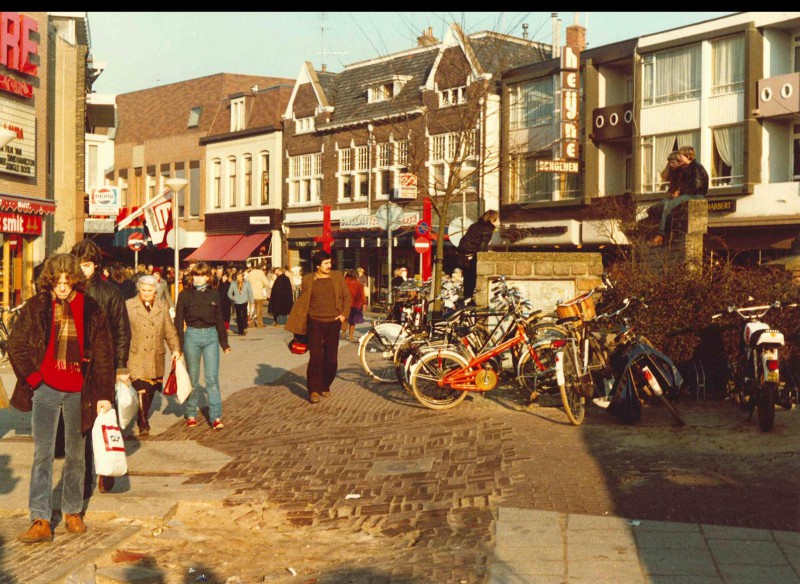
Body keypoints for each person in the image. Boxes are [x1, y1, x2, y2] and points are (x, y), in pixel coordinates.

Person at [9, 253, 115, 543]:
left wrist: (105, 394)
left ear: (75, 281)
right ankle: (40, 518)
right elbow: (16, 344)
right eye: (57, 282)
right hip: (45, 389)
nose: (63, 288)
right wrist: (34, 379)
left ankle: (72, 511)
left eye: (67, 282)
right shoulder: (37, 306)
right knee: (42, 454)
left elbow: (104, 353)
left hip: (79, 391)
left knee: (76, 454)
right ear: (50, 282)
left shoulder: (90, 308)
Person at [71, 239, 131, 496]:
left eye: (85, 265)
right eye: (78, 264)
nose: (81, 270)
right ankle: (84, 477)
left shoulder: (110, 293)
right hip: (76, 365)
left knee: (104, 417)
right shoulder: (70, 290)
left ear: (94, 265)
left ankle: (106, 468)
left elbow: (122, 331)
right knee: (80, 422)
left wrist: (120, 366)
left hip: (104, 365)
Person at [285, 251, 351, 404]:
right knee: (315, 357)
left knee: (332, 360)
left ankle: (325, 384)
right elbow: (304, 301)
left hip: (333, 322)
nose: (330, 265)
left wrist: (343, 315)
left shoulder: (337, 276)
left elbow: (347, 297)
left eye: (330, 262)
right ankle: (313, 390)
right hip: (314, 322)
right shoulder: (308, 279)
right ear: (317, 266)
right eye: (326, 263)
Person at [174, 262, 231, 429]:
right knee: (192, 377)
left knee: (212, 379)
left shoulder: (214, 294)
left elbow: (220, 318)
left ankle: (216, 416)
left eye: (202, 275)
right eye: (196, 275)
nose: (198, 279)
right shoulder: (185, 295)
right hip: (192, 335)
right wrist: (179, 345)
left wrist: (224, 343)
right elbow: (178, 320)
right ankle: (190, 412)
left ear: (208, 277)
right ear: (192, 277)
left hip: (211, 336)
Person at [125, 275, 181, 436]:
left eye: (150, 290)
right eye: (143, 290)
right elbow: (122, 331)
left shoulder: (162, 306)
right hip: (136, 354)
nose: (147, 293)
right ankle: (144, 423)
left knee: (150, 389)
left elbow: (169, 330)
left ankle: (141, 414)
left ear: (155, 291)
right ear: (138, 290)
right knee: (141, 387)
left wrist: (175, 349)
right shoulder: (128, 306)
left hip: (156, 353)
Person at [651, 145, 709, 247]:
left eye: (680, 156)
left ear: (688, 156)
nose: (678, 158)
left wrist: (680, 192)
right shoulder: (685, 169)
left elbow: (697, 187)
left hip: (695, 195)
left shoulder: (696, 168)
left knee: (670, 205)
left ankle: (660, 235)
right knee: (662, 205)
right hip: (688, 194)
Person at [456, 209, 499, 302]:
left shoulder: (474, 225)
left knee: (467, 280)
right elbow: (482, 246)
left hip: (463, 256)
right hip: (472, 257)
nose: (499, 222)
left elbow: (469, 240)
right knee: (474, 279)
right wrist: (486, 253)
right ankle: (470, 300)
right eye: (498, 219)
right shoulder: (488, 229)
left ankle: (467, 299)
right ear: (493, 220)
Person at [227, 270, 254, 335]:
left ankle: (245, 327)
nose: (238, 277)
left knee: (244, 314)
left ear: (242, 276)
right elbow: (229, 293)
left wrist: (252, 302)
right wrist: (233, 298)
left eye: (240, 276)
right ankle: (240, 330)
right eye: (237, 276)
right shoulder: (233, 283)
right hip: (237, 302)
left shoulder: (247, 283)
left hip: (244, 301)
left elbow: (250, 293)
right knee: (239, 316)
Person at [344, 269, 365, 342]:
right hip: (356, 304)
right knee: (353, 322)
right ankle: (350, 335)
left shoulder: (344, 282)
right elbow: (362, 294)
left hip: (345, 304)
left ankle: (343, 333)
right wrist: (364, 303)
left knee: (345, 319)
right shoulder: (359, 284)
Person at [246, 263, 269, 327]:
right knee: (259, 310)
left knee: (252, 309)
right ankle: (260, 323)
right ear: (261, 268)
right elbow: (266, 283)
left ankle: (251, 324)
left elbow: (246, 282)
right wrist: (263, 286)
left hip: (251, 294)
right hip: (259, 294)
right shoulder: (261, 273)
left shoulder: (250, 273)